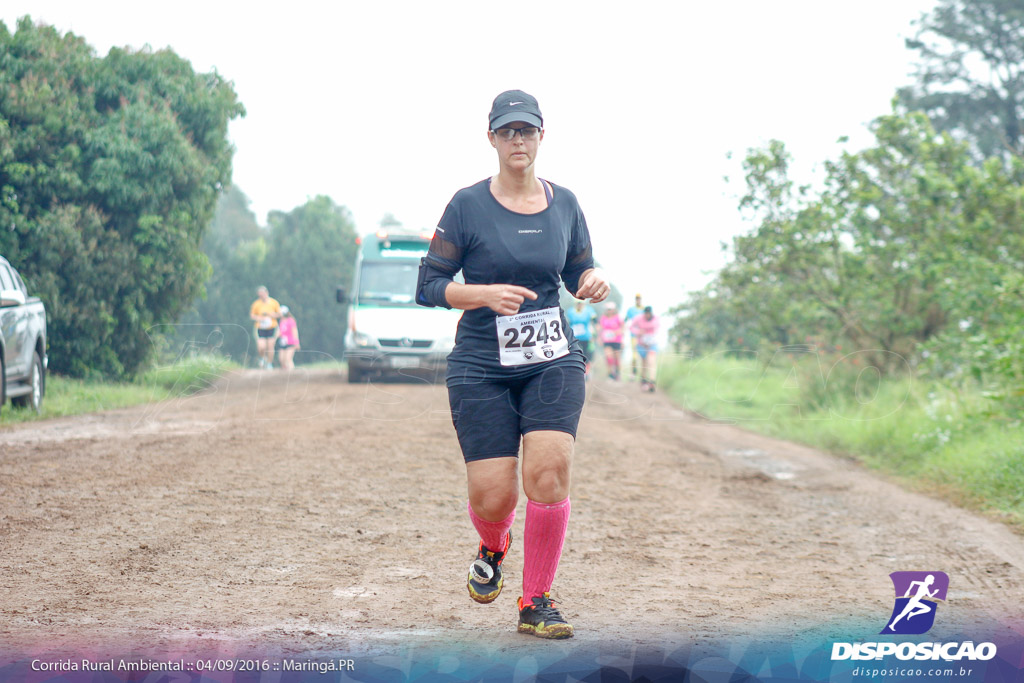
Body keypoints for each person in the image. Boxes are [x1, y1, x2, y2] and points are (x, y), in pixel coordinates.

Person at [416, 89, 609, 640]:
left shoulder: (566, 203)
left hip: (551, 359)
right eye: (508, 132)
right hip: (481, 363)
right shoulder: (467, 205)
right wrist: (480, 294)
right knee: (494, 495)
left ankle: (536, 600)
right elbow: (429, 285)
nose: (517, 140)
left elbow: (579, 271)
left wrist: (594, 281)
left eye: (526, 130)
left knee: (548, 473)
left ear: (541, 136)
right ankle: (493, 544)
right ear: (493, 139)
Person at [249, 286, 281, 369]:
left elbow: (279, 314)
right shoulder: (256, 304)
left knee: (270, 346)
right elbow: (252, 315)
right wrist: (259, 318)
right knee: (261, 346)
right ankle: (262, 357)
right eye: (260, 295)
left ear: (266, 293)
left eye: (262, 294)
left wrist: (271, 315)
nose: (261, 296)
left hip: (272, 327)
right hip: (260, 327)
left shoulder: (274, 302)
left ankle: (269, 363)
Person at [630, 305, 659, 392]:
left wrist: (651, 334)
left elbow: (657, 328)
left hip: (652, 344)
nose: (647, 315)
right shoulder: (638, 318)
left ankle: (652, 381)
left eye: (649, 314)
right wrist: (638, 332)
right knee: (644, 363)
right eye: (646, 313)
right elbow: (631, 327)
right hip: (641, 344)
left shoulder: (656, 319)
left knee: (652, 361)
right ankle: (643, 380)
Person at [566, 300, 597, 378]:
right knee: (576, 354)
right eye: (578, 303)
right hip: (575, 338)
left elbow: (595, 321)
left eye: (581, 304)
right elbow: (568, 323)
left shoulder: (589, 311)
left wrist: (595, 334)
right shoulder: (571, 312)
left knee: (587, 355)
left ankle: (587, 372)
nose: (579, 305)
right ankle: (578, 371)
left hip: (587, 337)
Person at [598, 303, 624, 380]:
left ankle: (618, 373)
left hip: (616, 340)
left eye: (610, 309)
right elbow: (600, 328)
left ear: (613, 310)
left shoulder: (618, 317)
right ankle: (610, 374)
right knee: (609, 357)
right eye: (607, 309)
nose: (609, 311)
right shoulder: (603, 318)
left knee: (617, 359)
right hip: (607, 340)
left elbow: (623, 327)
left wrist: (619, 332)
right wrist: (599, 337)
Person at [624, 293, 644, 380]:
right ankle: (633, 372)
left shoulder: (644, 309)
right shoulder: (631, 310)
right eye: (637, 299)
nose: (638, 300)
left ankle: (643, 374)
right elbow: (625, 320)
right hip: (634, 336)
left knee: (643, 355)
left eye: (639, 299)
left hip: (643, 336)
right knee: (634, 355)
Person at [276, 306, 300, 371]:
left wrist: (296, 342)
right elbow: (280, 332)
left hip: (291, 342)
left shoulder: (291, 321)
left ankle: (292, 373)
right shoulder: (281, 321)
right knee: (281, 359)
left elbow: (294, 331)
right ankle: (285, 374)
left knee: (288, 359)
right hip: (283, 343)